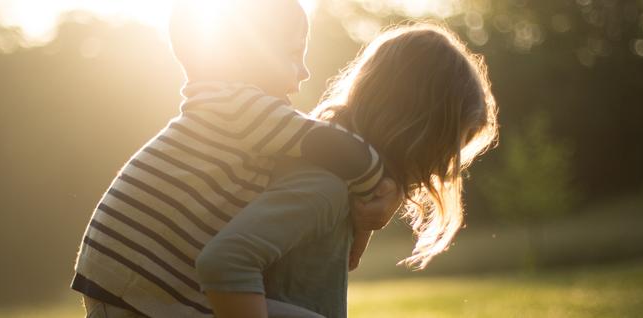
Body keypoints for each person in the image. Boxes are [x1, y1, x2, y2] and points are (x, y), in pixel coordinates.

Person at [71, 0, 401, 317]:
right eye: (293, 55)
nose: (304, 72)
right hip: (141, 282)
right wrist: (383, 187)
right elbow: (336, 147)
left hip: (130, 279)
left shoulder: (229, 108)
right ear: (249, 54)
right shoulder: (239, 106)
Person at [195, 23, 498, 318]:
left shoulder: (343, 184)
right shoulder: (325, 187)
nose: (445, 170)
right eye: (447, 148)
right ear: (415, 127)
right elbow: (225, 261)